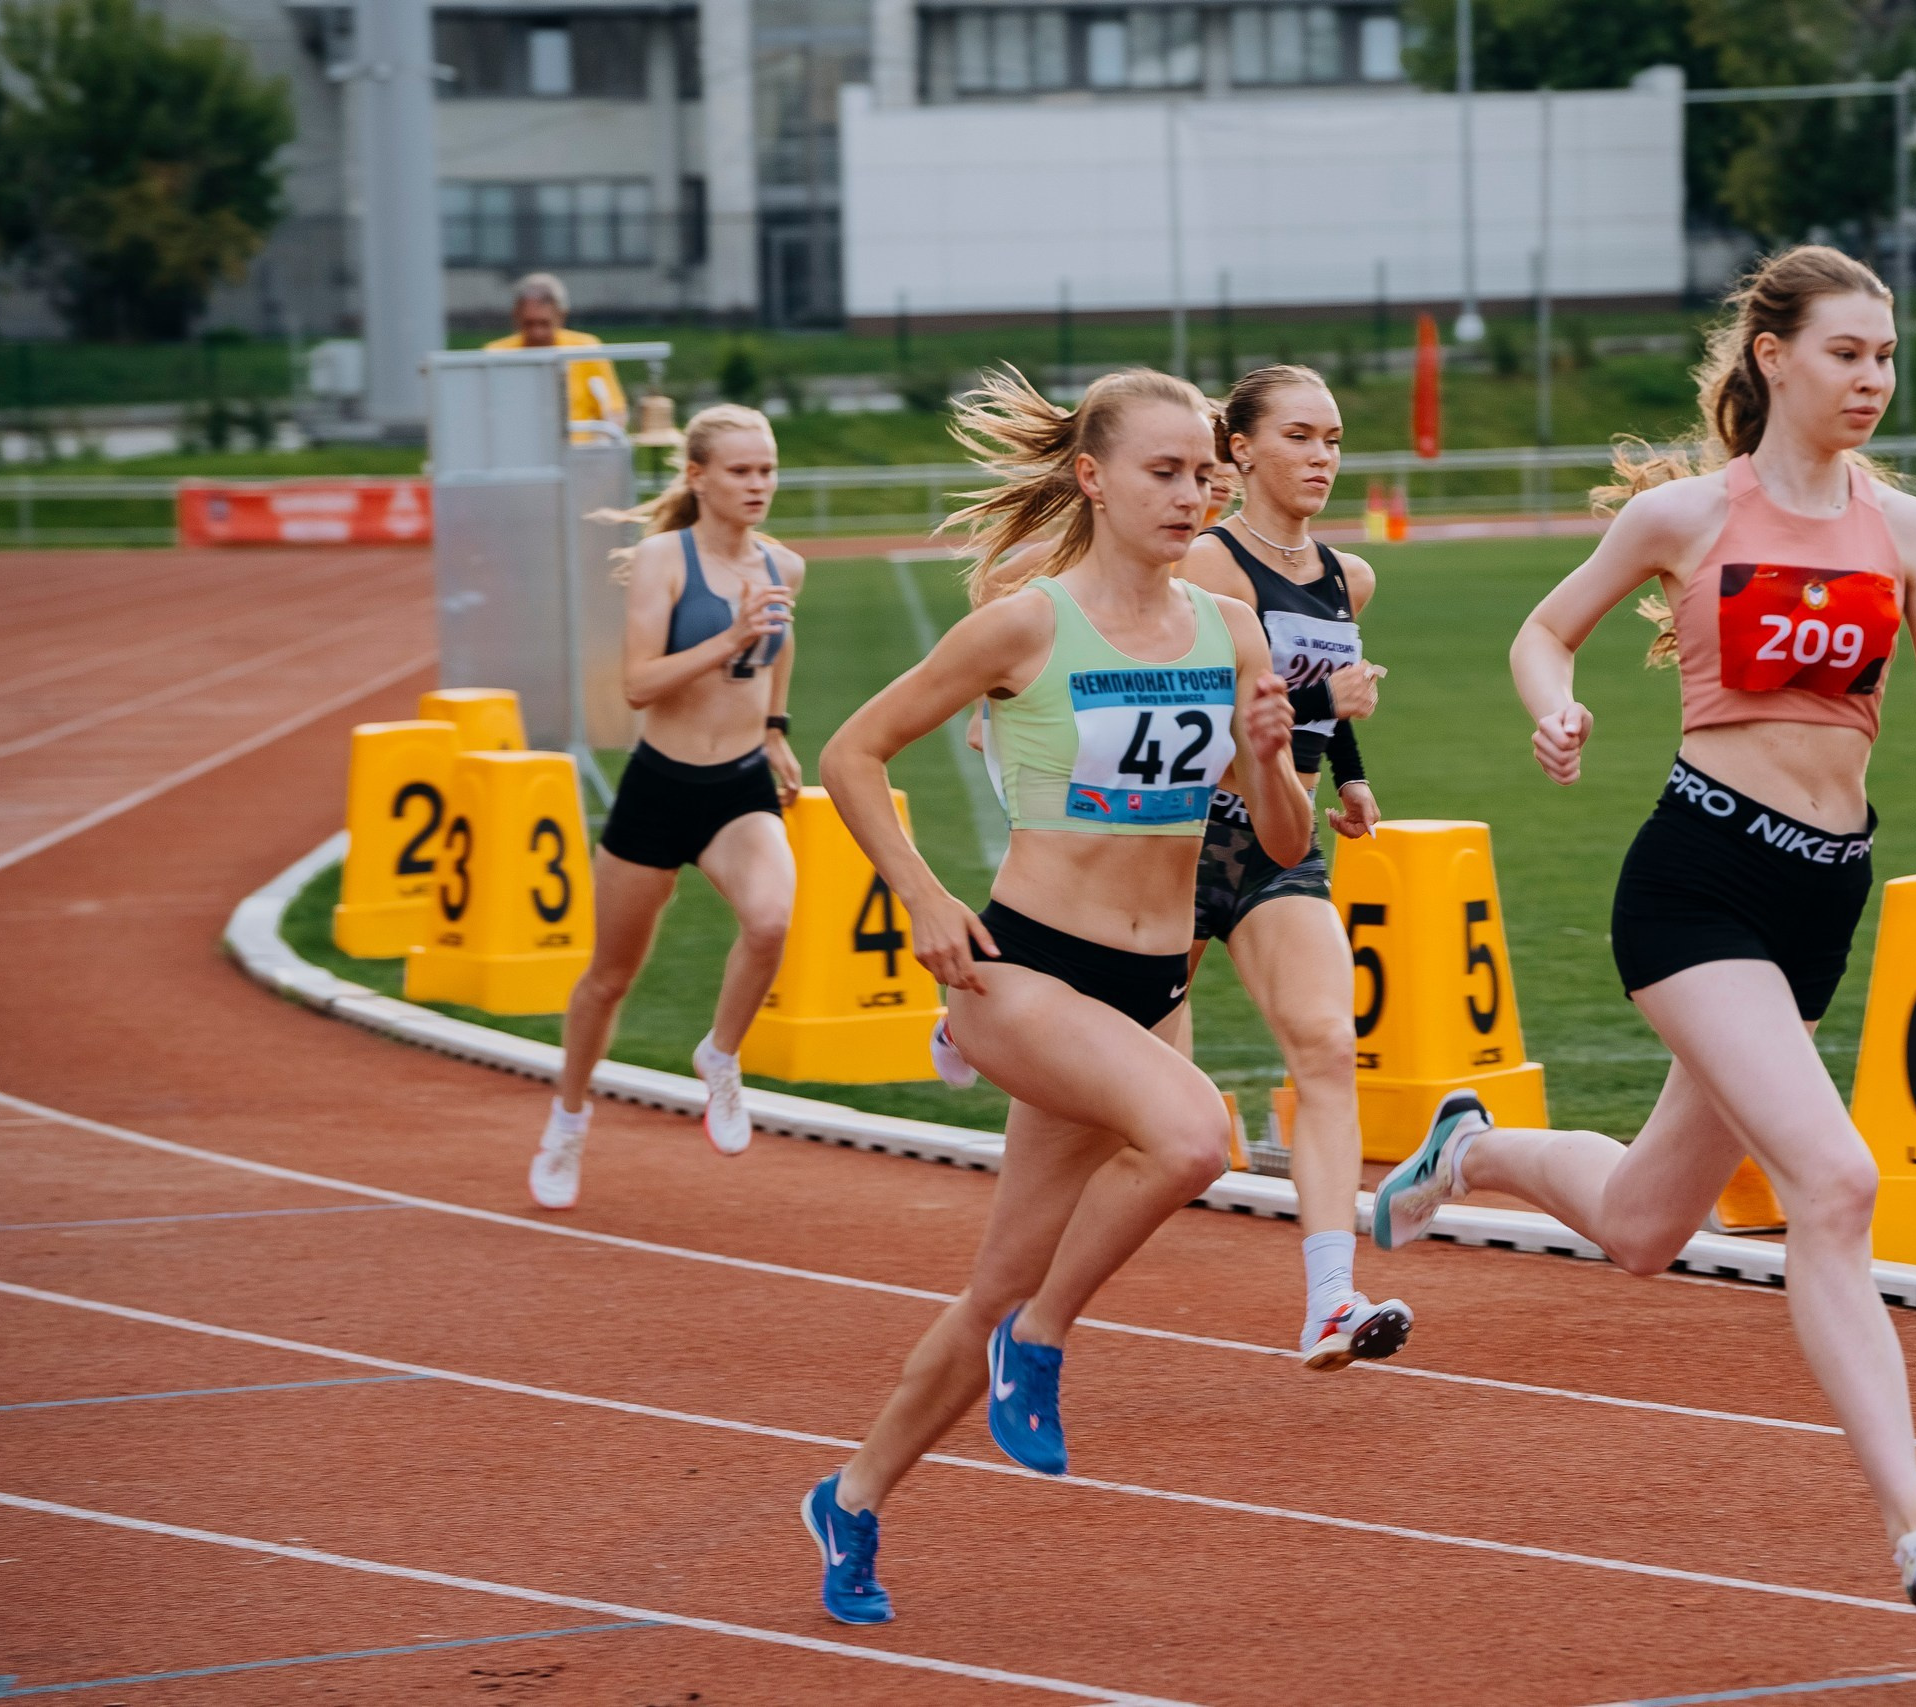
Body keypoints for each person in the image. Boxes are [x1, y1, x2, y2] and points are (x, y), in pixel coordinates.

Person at [1368, 246, 1916, 1633]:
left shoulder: (1908, 532)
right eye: (1849, 352)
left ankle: (1465, 1147)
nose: (1874, 379)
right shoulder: (1687, 515)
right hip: (1698, 883)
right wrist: (1555, 706)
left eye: (1888, 356)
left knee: (1642, 1226)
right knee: (1834, 1181)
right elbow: (1543, 631)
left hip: (1822, 895)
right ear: (1775, 355)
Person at [803, 367, 1307, 1624]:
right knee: (1197, 1138)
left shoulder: (1227, 631)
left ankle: (851, 1501)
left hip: (1151, 982)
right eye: (1165, 471)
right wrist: (922, 896)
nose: (1193, 494)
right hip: (1022, 966)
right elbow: (849, 753)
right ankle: (1041, 1347)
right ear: (1092, 478)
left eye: (1205, 473)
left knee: (991, 1279)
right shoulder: (1027, 626)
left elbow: (1285, 845)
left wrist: (1271, 753)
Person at [1175, 363, 1406, 1370]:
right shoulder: (1207, 568)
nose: (1322, 458)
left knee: (1324, 1044)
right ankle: (999, 983)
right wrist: (1331, 713)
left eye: (1334, 439)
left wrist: (1348, 770)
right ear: (1242, 451)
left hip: (1279, 838)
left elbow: (1319, 682)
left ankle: (1329, 1301)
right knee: (1142, 1099)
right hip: (1173, 842)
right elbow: (1232, 723)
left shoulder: (1349, 575)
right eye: (1301, 437)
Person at [525, 404, 802, 1210]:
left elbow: (783, 647)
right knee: (608, 978)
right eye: (742, 471)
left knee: (772, 920)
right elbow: (638, 684)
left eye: (768, 469)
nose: (759, 485)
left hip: (740, 785)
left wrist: (777, 728)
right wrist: (731, 637)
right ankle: (568, 1119)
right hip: (661, 784)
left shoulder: (787, 565)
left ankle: (720, 1056)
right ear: (698, 476)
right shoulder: (662, 560)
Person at [486, 272, 628, 428]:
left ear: (561, 316)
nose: (536, 332)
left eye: (544, 323)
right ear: (516, 317)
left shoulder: (585, 349)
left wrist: (602, 441)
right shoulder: (496, 354)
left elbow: (614, 411)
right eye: (529, 323)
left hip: (577, 447)